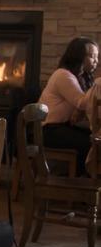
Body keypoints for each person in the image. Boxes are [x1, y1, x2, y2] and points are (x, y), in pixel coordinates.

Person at [39, 36, 101, 176]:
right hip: (49, 131)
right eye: (92, 57)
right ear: (78, 56)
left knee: (95, 139)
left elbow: (83, 104)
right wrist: (98, 85)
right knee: (90, 143)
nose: (96, 61)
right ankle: (80, 184)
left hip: (63, 127)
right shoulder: (63, 75)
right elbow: (82, 102)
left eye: (97, 57)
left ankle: (85, 181)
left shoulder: (81, 77)